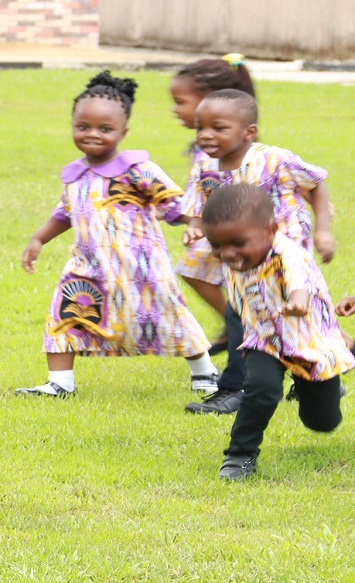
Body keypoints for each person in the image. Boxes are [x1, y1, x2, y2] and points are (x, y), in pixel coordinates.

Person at [18, 72, 217, 398]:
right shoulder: (75, 175)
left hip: (141, 268)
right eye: (83, 127)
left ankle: (204, 371)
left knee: (168, 315)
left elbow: (173, 204)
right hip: (88, 268)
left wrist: (196, 223)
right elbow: (65, 213)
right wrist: (38, 239)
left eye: (105, 129)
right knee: (64, 313)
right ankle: (60, 382)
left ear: (123, 132)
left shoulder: (138, 170)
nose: (92, 134)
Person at [180, 87, 341, 414]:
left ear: (249, 132)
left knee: (285, 317)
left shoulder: (275, 159)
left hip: (285, 258)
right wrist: (195, 226)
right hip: (241, 262)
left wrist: (323, 230)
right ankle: (287, 379)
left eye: (218, 128)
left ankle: (242, 388)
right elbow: (198, 206)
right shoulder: (205, 168)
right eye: (201, 128)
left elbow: (315, 184)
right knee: (245, 315)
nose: (206, 135)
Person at [201, 185, 352, 480]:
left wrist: (297, 301)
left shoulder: (289, 255)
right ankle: (239, 456)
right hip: (266, 340)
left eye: (237, 243)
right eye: (216, 245)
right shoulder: (240, 253)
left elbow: (300, 284)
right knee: (261, 390)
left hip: (308, 340)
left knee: (322, 422)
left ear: (270, 230)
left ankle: (319, 374)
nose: (227, 254)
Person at [169, 55, 256, 415]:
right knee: (251, 312)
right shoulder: (205, 153)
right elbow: (199, 191)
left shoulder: (250, 153)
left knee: (268, 311)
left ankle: (331, 360)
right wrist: (193, 224)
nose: (175, 110)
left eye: (181, 102)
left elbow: (303, 182)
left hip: (252, 244)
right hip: (220, 237)